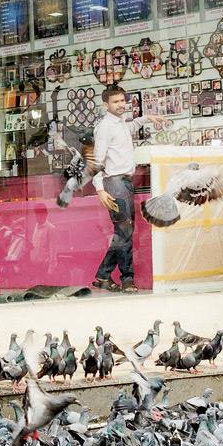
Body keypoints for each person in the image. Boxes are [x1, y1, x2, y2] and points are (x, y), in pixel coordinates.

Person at [91, 85, 169, 293]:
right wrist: (99, 189)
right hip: (114, 183)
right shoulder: (105, 127)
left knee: (124, 231)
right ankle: (127, 279)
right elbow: (96, 161)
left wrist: (147, 118)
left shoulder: (120, 123)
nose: (121, 105)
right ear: (105, 105)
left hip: (123, 182)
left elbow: (130, 128)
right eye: (115, 102)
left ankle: (103, 275)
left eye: (122, 100)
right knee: (124, 231)